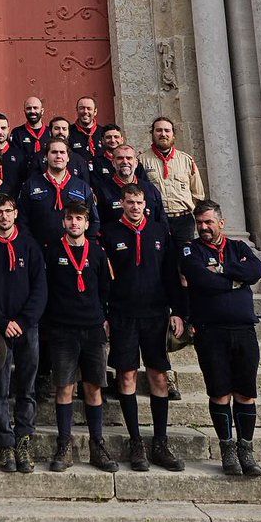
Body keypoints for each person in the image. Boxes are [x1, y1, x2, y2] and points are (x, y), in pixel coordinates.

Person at [102, 184, 186, 472]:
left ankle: (160, 442)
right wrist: (106, 314)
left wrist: (178, 311)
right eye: (130, 202)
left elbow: (171, 276)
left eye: (139, 202)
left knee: (158, 377)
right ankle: (136, 441)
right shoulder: (110, 234)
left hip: (156, 314)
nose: (135, 207)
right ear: (121, 203)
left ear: (145, 204)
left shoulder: (160, 232)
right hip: (123, 314)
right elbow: (104, 278)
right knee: (126, 376)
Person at [179, 198, 261, 477]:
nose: (204, 227)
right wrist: (235, 280)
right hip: (210, 331)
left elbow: (256, 271)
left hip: (243, 330)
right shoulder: (191, 249)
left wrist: (220, 270)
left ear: (221, 223)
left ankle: (246, 449)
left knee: (246, 393)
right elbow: (200, 279)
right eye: (200, 223)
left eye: (209, 222)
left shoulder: (239, 247)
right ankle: (227, 448)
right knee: (219, 393)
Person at [0, 193, 47, 473]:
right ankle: (5, 444)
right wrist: (2, 322)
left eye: (9, 211)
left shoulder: (29, 246)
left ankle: (23, 441)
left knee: (26, 389)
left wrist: (24, 321)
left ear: (16, 214)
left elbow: (40, 288)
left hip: (28, 329)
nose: (4, 216)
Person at [42, 203, 117, 473]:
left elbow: (106, 288)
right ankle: (64, 444)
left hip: (93, 328)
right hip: (63, 328)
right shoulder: (52, 252)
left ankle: (97, 444)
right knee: (64, 387)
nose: (74, 223)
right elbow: (46, 288)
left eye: (79, 219)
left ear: (87, 224)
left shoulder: (97, 253)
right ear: (64, 222)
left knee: (93, 386)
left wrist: (103, 317)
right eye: (70, 218)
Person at [19, 138, 99, 245]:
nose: (58, 156)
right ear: (46, 157)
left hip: (73, 249)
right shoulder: (30, 185)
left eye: (62, 152)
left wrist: (87, 245)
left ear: (68, 158)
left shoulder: (82, 187)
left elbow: (94, 220)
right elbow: (22, 220)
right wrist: (30, 246)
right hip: (40, 250)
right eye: (54, 152)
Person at [140, 117, 205, 243]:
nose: (163, 134)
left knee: (186, 259)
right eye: (158, 130)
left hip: (183, 221)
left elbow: (198, 193)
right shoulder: (141, 161)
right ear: (152, 134)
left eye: (167, 131)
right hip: (156, 220)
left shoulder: (186, 160)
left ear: (173, 135)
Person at [94, 145, 166, 230]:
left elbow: (161, 221)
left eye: (129, 158)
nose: (125, 161)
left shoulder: (150, 189)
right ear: (113, 163)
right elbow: (97, 223)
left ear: (136, 163)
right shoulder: (101, 189)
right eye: (120, 158)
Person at [0, 114, 27, 195]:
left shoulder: (19, 155)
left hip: (13, 202)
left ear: (8, 130)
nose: (0, 132)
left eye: (3, 128)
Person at [11, 97, 49, 167]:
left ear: (42, 111)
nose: (32, 111)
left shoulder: (50, 132)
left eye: (35, 108)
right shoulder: (17, 133)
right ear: (24, 111)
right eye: (28, 108)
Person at [68, 96, 104, 165]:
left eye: (89, 108)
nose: (85, 111)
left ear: (95, 111)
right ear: (77, 110)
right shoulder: (68, 132)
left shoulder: (103, 132)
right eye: (82, 108)